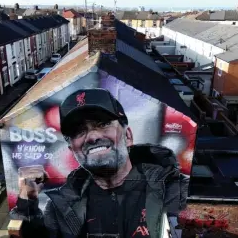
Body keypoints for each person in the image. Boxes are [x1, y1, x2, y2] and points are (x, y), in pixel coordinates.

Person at [10, 88, 188, 238]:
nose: (93, 136)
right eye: (79, 131)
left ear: (128, 136)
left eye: (102, 124)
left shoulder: (173, 190)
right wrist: (27, 201)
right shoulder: (61, 206)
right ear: (73, 150)